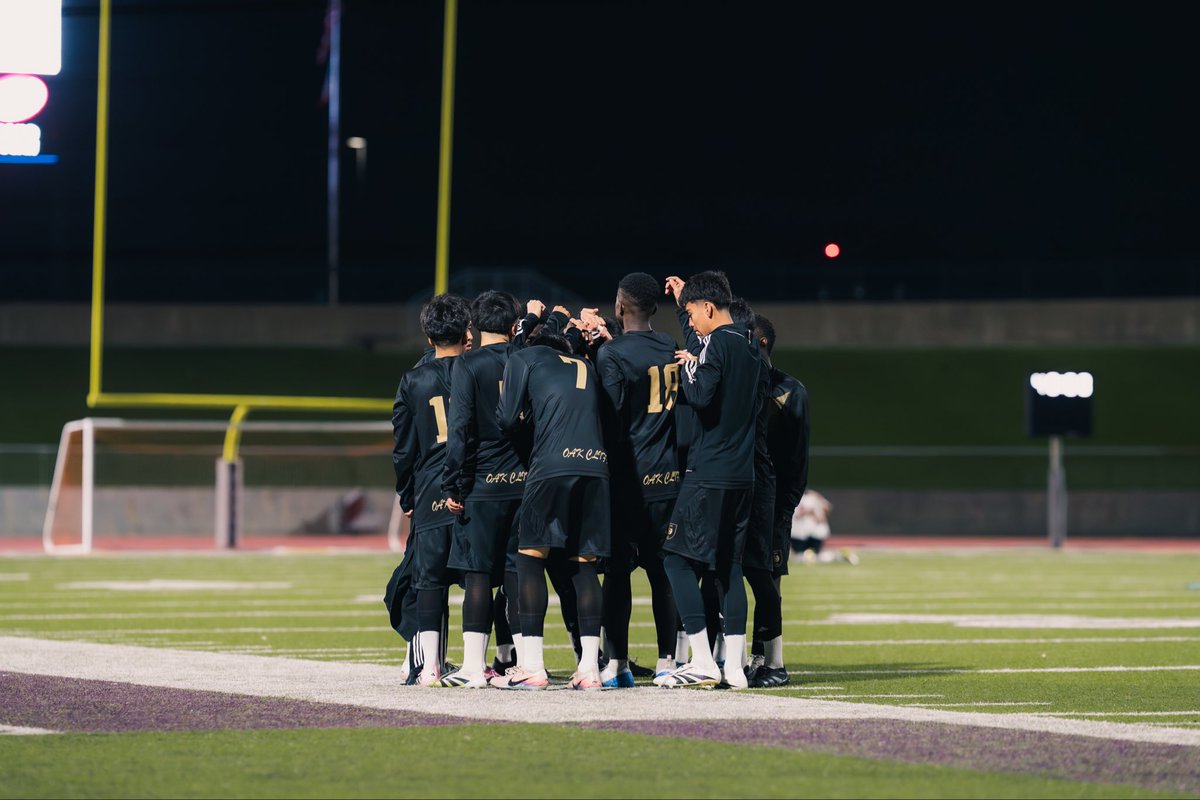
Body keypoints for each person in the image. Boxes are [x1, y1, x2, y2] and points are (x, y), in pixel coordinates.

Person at [654, 271, 761, 690]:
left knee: (676, 559)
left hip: (710, 472)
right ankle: (733, 668)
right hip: (741, 474)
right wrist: (687, 317)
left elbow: (699, 395)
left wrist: (688, 366)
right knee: (728, 567)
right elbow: (709, 351)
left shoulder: (716, 343)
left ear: (709, 308)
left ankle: (701, 660)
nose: (692, 322)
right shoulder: (749, 342)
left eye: (693, 313)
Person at [492, 330, 612, 690]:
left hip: (552, 465)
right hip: (596, 466)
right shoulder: (585, 365)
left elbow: (507, 419)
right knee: (585, 564)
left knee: (529, 558)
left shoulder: (524, 357)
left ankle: (532, 667)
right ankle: (589, 669)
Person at [436, 291, 531, 688]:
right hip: (524, 480)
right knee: (518, 573)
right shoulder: (526, 358)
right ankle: (528, 664)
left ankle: (473, 667)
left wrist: (453, 484)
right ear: (513, 324)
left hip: (482, 483)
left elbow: (459, 429)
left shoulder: (467, 364)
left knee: (476, 574)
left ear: (473, 327)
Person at [594, 272, 682, 685]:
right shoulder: (668, 344)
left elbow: (610, 419)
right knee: (664, 574)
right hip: (669, 476)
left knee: (617, 574)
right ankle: (668, 661)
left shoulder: (611, 355)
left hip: (628, 479)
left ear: (620, 305)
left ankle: (618, 664)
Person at [390, 293, 472, 687]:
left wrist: (407, 494)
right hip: (476, 486)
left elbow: (403, 448)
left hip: (431, 489)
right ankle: (494, 662)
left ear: (428, 337)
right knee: (485, 576)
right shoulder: (480, 369)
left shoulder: (413, 380)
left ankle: (428, 666)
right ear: (466, 331)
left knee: (427, 579)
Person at [748, 312, 810, 687]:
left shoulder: (791, 390)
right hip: (738, 494)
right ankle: (729, 658)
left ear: (762, 343)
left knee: (768, 581)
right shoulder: (735, 382)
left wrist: (785, 508)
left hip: (771, 502)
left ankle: (769, 659)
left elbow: (797, 458)